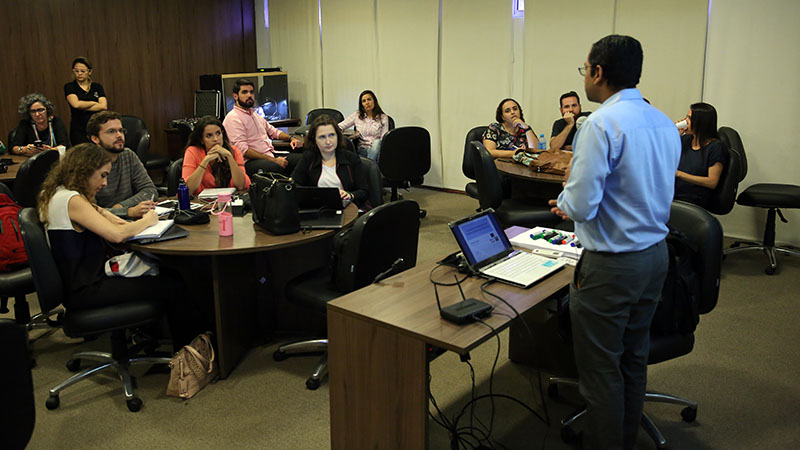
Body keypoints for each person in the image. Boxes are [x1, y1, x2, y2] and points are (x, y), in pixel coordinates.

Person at [549, 35, 681, 450]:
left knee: (601, 368)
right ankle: (625, 438)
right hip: (655, 257)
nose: (584, 77)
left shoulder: (599, 124)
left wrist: (568, 200)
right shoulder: (662, 121)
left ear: (598, 72)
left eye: (584, 69)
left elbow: (583, 205)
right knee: (632, 355)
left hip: (611, 265)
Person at [37, 143, 200, 349]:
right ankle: (189, 355)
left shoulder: (58, 193)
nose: (105, 183)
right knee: (174, 283)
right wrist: (148, 220)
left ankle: (155, 339)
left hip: (81, 285)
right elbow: (116, 235)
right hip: (87, 289)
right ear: (85, 171)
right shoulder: (72, 200)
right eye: (102, 175)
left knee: (165, 273)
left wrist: (123, 218)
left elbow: (114, 221)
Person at [222, 79, 303, 177]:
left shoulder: (254, 114)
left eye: (251, 92)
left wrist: (291, 138)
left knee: (304, 160)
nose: (249, 95)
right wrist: (274, 160)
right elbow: (243, 150)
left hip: (270, 155)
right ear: (235, 96)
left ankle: (295, 189)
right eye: (244, 92)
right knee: (276, 167)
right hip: (250, 162)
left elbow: (273, 131)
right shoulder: (233, 118)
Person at [87, 111, 157, 218]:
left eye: (121, 131)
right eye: (111, 131)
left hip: (128, 220)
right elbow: (89, 211)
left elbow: (149, 190)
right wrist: (127, 212)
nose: (119, 135)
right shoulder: (86, 164)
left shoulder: (128, 155)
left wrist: (121, 206)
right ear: (95, 139)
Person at [292, 115, 369, 209]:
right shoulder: (308, 158)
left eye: (332, 135)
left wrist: (350, 195)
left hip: (347, 209)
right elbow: (294, 185)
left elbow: (364, 191)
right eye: (322, 137)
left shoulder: (351, 158)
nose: (328, 141)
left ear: (338, 136)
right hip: (317, 210)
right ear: (314, 140)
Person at [674, 102, 728, 209]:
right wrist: (675, 136)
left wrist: (679, 174)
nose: (685, 121)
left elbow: (712, 182)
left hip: (693, 198)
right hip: (675, 193)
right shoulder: (686, 140)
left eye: (689, 118)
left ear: (700, 122)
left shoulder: (715, 147)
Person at [182, 116, 250, 195]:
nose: (215, 139)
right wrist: (205, 161)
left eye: (218, 133)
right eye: (209, 135)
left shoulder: (233, 151)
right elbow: (188, 190)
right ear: (201, 140)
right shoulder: (192, 151)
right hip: (201, 203)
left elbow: (241, 186)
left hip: (228, 201)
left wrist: (229, 157)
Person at [64, 57, 107, 145]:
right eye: (76, 71)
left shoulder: (97, 87)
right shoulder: (70, 86)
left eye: (83, 71)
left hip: (96, 126)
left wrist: (83, 105)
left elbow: (103, 106)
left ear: (89, 72)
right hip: (78, 128)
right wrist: (94, 103)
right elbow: (75, 104)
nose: (79, 74)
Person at [338, 90, 390, 161]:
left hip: (378, 149)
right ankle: (371, 166)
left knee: (377, 143)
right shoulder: (357, 115)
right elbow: (340, 126)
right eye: (364, 101)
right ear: (361, 104)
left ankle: (369, 167)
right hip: (363, 149)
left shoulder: (383, 117)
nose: (367, 103)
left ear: (374, 101)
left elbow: (384, 139)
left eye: (369, 99)